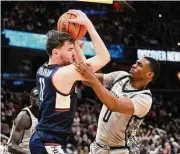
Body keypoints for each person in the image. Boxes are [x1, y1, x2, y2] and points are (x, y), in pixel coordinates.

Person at [29, 9, 110, 154]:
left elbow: (87, 75)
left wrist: (75, 48)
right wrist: (88, 24)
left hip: (46, 138)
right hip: (49, 141)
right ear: (55, 52)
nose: (73, 52)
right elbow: (104, 57)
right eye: (70, 49)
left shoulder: (44, 69)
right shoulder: (63, 73)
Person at [75, 57, 161, 154]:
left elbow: (114, 105)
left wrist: (91, 77)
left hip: (121, 150)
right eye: (136, 62)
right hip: (98, 146)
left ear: (149, 75)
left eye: (139, 65)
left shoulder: (144, 98)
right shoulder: (121, 76)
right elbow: (87, 80)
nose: (134, 65)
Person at [7, 87, 39, 154]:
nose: (39, 99)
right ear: (30, 99)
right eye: (36, 96)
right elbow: (11, 146)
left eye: (41, 97)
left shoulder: (45, 116)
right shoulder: (24, 116)